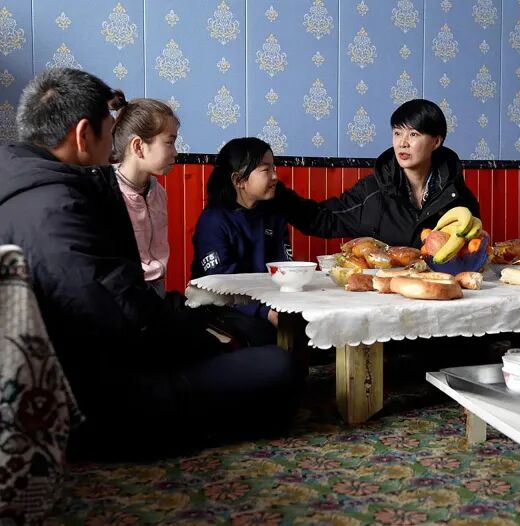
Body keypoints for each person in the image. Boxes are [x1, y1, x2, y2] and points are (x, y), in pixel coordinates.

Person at [0, 68, 302, 460]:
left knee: (239, 350)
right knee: (280, 368)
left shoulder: (25, 184)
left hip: (100, 361)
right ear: (83, 134)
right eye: (110, 130)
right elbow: (116, 317)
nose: (113, 143)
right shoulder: (60, 206)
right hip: (101, 394)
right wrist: (191, 339)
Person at [272, 98, 480, 248]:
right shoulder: (372, 191)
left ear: (436, 142)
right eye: (397, 133)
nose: (402, 143)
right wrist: (274, 190)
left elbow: (471, 248)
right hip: (383, 291)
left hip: (438, 288)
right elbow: (322, 220)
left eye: (414, 134)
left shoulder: (458, 197)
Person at [191, 137, 291, 345]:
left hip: (268, 302)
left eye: (274, 168)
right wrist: (265, 311)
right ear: (239, 181)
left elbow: (284, 268)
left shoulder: (274, 216)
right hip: (222, 307)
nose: (275, 176)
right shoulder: (213, 221)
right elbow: (221, 282)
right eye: (266, 170)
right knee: (265, 336)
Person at [111, 96, 178, 297]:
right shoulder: (109, 193)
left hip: (156, 292)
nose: (175, 152)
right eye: (170, 142)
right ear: (138, 147)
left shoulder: (158, 192)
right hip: (122, 295)